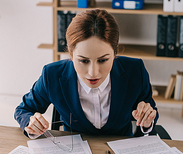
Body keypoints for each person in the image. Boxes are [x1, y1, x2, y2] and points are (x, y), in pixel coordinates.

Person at [14, 9, 158, 138]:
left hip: (122, 153)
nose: (93, 72)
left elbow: (150, 111)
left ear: (115, 53)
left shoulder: (135, 71)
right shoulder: (52, 75)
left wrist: (147, 121)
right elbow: (23, 110)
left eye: (103, 60)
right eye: (83, 61)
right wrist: (31, 122)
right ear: (71, 54)